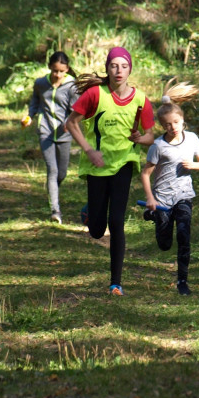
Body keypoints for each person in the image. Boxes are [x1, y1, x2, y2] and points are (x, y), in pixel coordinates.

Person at [65, 47, 156, 296]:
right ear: (107, 68)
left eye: (124, 66)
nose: (118, 71)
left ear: (130, 70)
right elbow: (71, 123)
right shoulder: (95, 94)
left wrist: (141, 138)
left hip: (124, 164)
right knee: (96, 230)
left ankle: (115, 282)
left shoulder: (141, 99)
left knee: (116, 222)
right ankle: (90, 213)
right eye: (114, 66)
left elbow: (150, 136)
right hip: (97, 165)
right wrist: (88, 150)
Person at [140, 83, 199, 295]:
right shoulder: (158, 146)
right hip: (162, 200)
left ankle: (182, 282)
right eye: (168, 125)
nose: (173, 127)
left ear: (182, 120)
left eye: (176, 122)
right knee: (164, 244)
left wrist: (194, 165)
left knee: (184, 235)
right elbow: (145, 174)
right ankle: (154, 215)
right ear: (162, 126)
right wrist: (151, 199)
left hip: (184, 196)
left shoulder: (193, 139)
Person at [22, 51, 79, 224]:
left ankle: (53, 189)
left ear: (67, 69)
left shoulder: (72, 86)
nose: (57, 75)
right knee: (52, 170)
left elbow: (76, 110)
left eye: (61, 71)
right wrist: (30, 116)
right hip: (45, 131)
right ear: (49, 68)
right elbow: (35, 102)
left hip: (64, 134)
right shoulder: (40, 83)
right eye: (55, 71)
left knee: (62, 173)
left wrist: (69, 122)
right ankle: (55, 210)